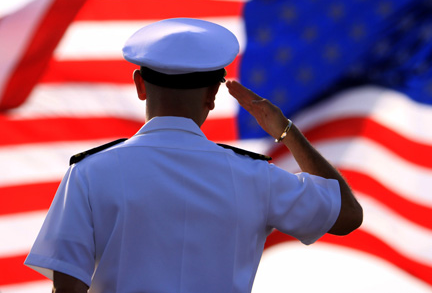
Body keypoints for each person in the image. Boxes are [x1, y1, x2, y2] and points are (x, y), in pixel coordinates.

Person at [25, 18, 363, 293]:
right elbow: (346, 216)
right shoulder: (255, 176)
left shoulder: (89, 173)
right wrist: (285, 130)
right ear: (213, 94)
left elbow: (67, 288)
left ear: (140, 85)